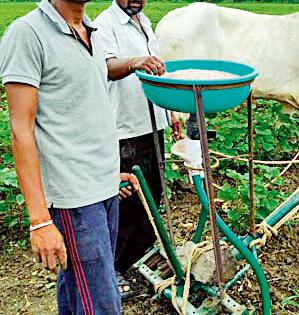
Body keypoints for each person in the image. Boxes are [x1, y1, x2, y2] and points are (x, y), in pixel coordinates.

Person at [0, 0, 138, 313]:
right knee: (101, 302)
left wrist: (107, 174)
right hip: (72, 197)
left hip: (102, 187)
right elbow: (21, 129)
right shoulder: (28, 33)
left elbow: (83, 111)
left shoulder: (93, 31)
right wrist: (39, 222)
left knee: (78, 291)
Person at [94, 0, 181, 298]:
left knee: (151, 196)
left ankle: (139, 256)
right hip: (125, 129)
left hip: (152, 124)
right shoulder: (104, 25)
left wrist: (169, 113)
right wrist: (133, 61)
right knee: (125, 204)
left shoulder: (144, 22)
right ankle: (112, 267)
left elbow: (158, 73)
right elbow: (105, 67)